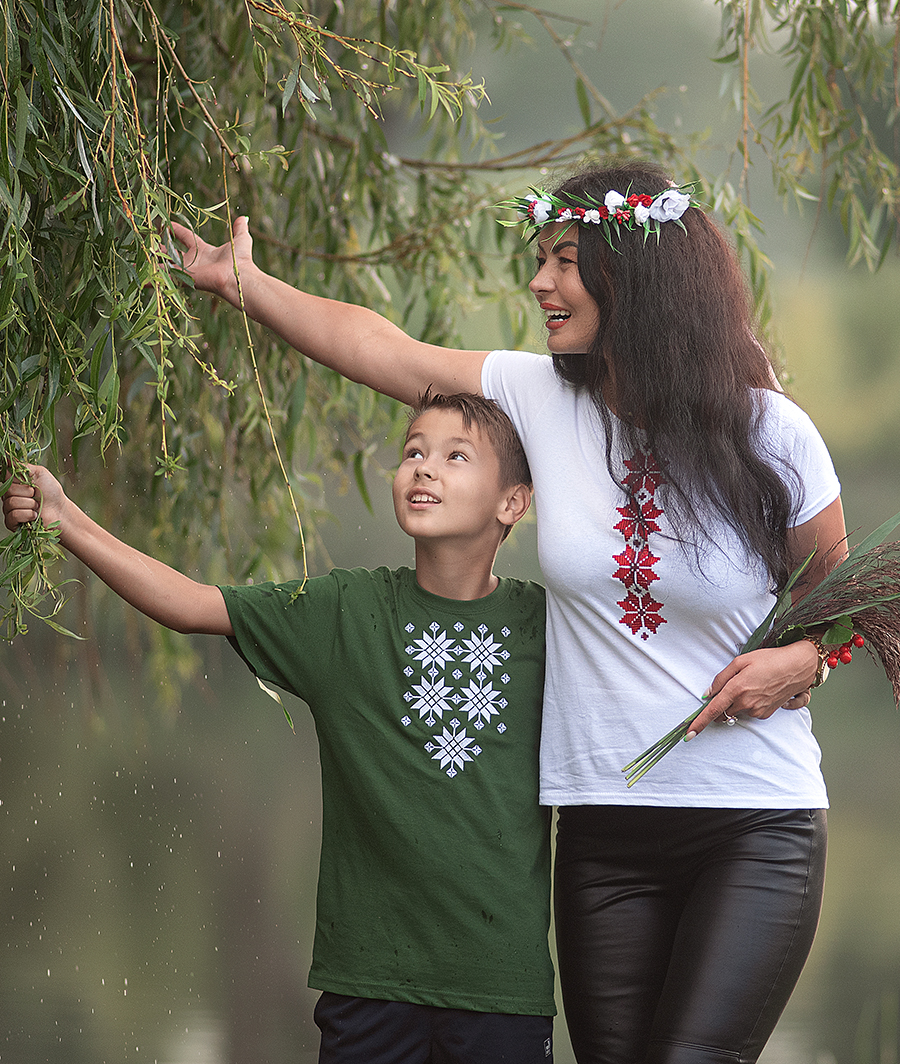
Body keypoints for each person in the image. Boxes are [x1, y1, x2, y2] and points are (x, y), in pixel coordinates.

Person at [170, 158, 846, 1064]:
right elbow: (382, 349)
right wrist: (244, 285)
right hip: (601, 832)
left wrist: (805, 662)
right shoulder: (536, 396)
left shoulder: (772, 432)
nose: (539, 282)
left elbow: (844, 603)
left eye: (565, 261)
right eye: (542, 259)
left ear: (635, 275)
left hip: (756, 824)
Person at [3, 392, 555, 1064]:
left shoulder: (549, 627)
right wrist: (67, 520)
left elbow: (652, 659)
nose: (423, 468)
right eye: (413, 451)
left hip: (500, 988)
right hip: (368, 984)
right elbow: (193, 605)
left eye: (455, 456)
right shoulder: (344, 611)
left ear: (513, 502)